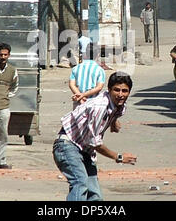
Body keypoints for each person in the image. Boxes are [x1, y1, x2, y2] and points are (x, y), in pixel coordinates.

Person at [53, 71, 137, 201]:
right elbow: (95, 143)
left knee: (95, 195)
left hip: (84, 148)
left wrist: (113, 122)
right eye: (116, 90)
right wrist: (118, 157)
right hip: (67, 146)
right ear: (109, 90)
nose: (120, 95)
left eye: (124, 91)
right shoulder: (100, 106)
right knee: (80, 183)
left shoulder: (118, 105)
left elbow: (116, 112)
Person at [69, 42, 106, 109]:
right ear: (98, 54)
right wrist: (83, 95)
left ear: (85, 53)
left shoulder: (75, 68)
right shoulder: (100, 70)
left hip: (79, 102)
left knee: (78, 119)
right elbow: (99, 87)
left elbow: (71, 84)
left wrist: (80, 96)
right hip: (94, 102)